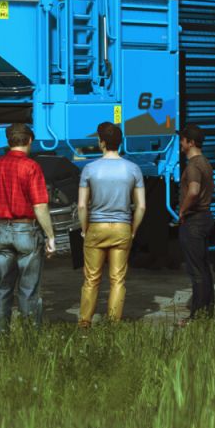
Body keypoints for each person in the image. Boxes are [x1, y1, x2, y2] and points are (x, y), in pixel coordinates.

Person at [76, 122, 146, 327]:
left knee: (91, 278)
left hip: (96, 228)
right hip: (122, 227)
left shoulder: (90, 169)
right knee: (117, 279)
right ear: (120, 142)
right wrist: (133, 230)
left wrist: (84, 229)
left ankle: (84, 323)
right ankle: (113, 325)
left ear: (102, 142)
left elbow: (82, 206)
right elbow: (141, 206)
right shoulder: (133, 169)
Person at [0, 123, 56, 330]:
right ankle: (29, 335)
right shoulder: (31, 166)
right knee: (28, 288)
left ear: (8, 141)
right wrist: (50, 236)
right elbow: (40, 206)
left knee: (2, 287)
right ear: (30, 140)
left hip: (1, 231)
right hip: (25, 231)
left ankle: (2, 332)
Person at [176, 123, 215, 325]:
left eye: (182, 140)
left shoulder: (193, 166)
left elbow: (193, 191)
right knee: (204, 267)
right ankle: (207, 311)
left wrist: (182, 210)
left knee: (196, 271)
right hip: (205, 217)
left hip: (194, 221)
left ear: (190, 142)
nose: (180, 144)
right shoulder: (205, 163)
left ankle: (196, 316)